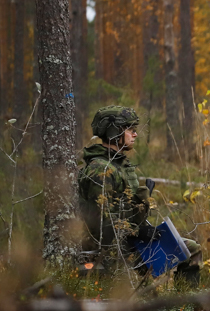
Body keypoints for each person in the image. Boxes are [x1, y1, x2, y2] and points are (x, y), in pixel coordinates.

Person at [78, 105, 202, 285]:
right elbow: (102, 224)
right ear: (114, 131)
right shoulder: (101, 169)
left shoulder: (118, 166)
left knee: (190, 249)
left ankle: (187, 308)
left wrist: (141, 202)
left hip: (128, 243)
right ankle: (185, 308)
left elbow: (122, 212)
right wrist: (138, 232)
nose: (135, 134)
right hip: (110, 251)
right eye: (130, 130)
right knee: (188, 252)